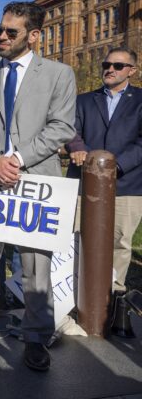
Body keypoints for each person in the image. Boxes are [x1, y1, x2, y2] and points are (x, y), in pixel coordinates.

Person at [0, 1, 76, 371]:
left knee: (36, 265)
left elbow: (61, 127)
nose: (1, 37)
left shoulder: (59, 74)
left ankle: (36, 335)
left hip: (36, 181)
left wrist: (18, 159)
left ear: (34, 35)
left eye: (11, 31)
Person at [67, 47, 142, 303]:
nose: (110, 69)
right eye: (106, 64)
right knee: (76, 239)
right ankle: (75, 296)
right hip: (82, 183)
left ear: (132, 70)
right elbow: (70, 131)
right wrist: (77, 148)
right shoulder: (83, 100)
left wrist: (113, 166)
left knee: (119, 243)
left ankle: (111, 300)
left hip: (127, 184)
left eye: (118, 66)